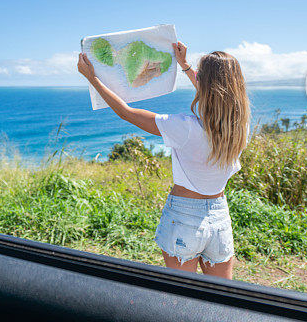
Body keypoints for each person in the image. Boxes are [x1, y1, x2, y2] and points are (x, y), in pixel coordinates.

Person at [77, 41, 250, 279]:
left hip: (184, 218)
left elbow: (126, 113)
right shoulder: (240, 129)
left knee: (182, 298)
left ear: (207, 87)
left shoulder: (185, 127)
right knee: (222, 298)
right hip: (220, 218)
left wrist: (92, 78)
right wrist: (186, 67)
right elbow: (219, 97)